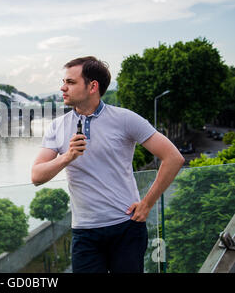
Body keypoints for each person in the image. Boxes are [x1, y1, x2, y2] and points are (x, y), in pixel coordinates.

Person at [31, 56, 185, 273]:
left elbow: (173, 158)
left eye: (71, 82)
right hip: (84, 232)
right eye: (64, 81)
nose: (63, 87)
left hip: (126, 228)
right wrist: (66, 157)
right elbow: (36, 176)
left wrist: (147, 204)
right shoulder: (57, 126)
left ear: (93, 86)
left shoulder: (125, 119)